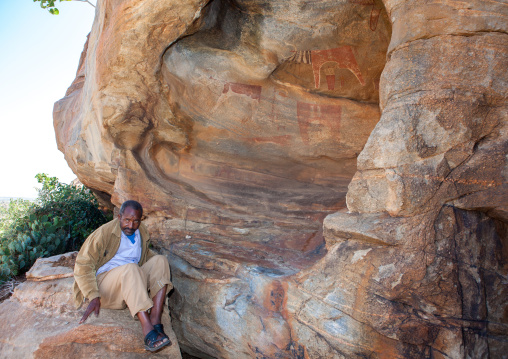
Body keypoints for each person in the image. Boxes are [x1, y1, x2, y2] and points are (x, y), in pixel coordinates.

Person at [73, 200, 173, 352]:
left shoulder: (141, 231)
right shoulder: (104, 232)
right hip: (106, 287)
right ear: (119, 217)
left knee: (160, 260)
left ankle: (156, 321)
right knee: (130, 269)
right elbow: (83, 264)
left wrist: (155, 269)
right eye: (127, 220)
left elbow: (144, 256)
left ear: (141, 220)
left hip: (131, 282)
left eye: (135, 221)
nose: (131, 226)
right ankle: (148, 331)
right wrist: (92, 295)